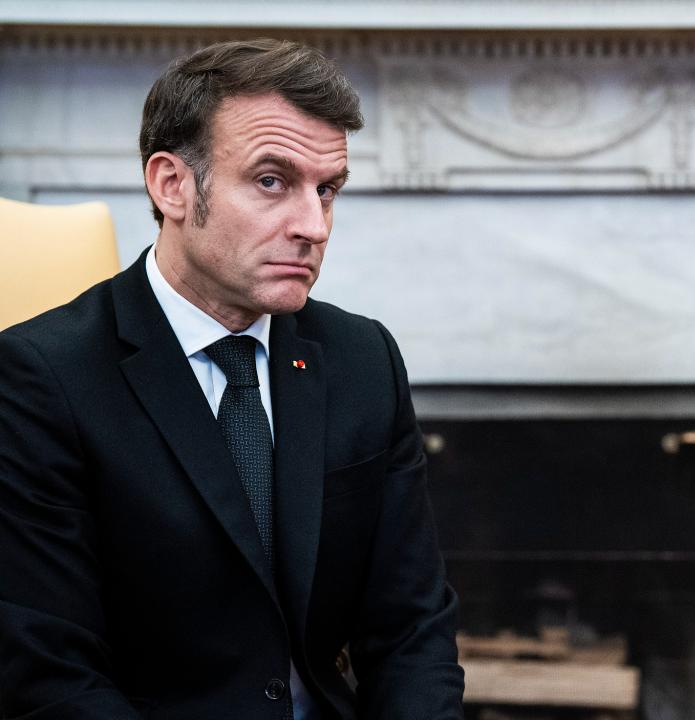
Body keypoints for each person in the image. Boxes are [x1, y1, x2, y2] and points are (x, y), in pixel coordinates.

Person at [0, 39, 463, 719]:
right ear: (172, 185)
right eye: (272, 181)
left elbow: (411, 630)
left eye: (326, 189)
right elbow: (49, 674)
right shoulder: (41, 377)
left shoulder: (364, 358)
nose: (314, 227)